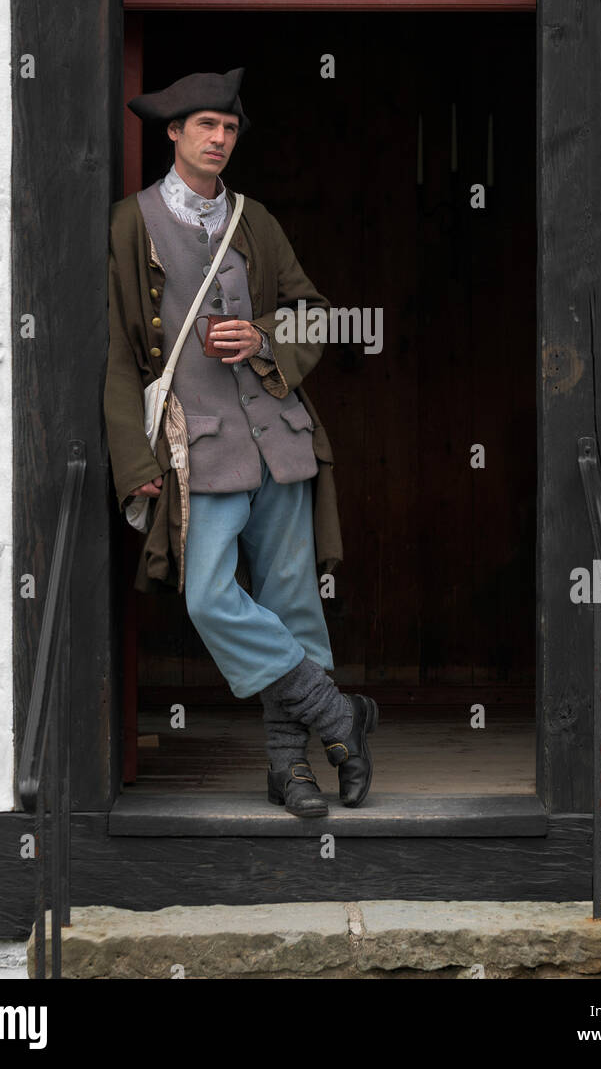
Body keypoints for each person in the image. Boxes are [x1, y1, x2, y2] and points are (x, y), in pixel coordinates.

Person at [102, 66, 378, 817]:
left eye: (228, 129)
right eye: (205, 127)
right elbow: (121, 357)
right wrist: (133, 460)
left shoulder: (254, 217)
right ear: (174, 134)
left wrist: (261, 335)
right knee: (211, 597)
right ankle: (337, 716)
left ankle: (291, 772)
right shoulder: (131, 224)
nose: (220, 139)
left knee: (294, 603)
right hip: (200, 451)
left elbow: (313, 312)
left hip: (281, 438)